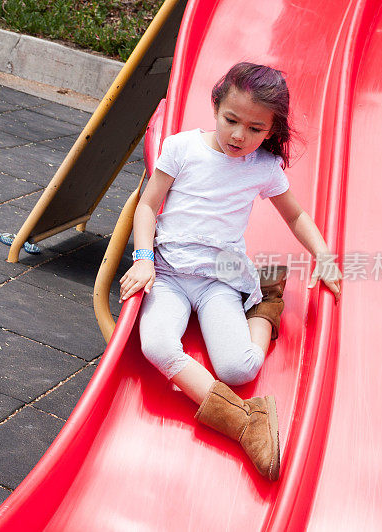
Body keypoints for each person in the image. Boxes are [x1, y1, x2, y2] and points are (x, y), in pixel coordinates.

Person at [118, 62, 342, 481]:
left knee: (238, 369)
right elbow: (147, 207)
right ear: (215, 106)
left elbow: (295, 217)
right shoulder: (183, 149)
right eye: (231, 120)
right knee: (157, 345)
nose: (240, 135)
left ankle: (265, 306)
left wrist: (323, 254)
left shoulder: (262, 168)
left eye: (256, 129)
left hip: (219, 277)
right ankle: (244, 422)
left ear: (272, 131)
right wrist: (144, 259)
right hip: (168, 272)